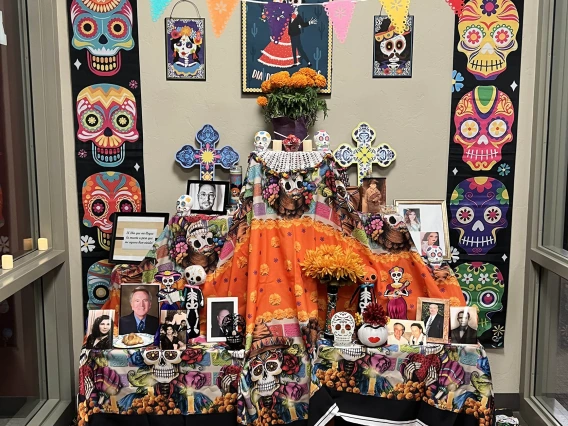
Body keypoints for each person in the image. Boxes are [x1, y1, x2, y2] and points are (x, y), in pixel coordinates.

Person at [258, 0, 296, 68]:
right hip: (276, 29)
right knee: (276, 44)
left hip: (285, 30)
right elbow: (264, 16)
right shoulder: (271, 7)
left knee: (286, 45)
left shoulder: (288, 8)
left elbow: (294, 16)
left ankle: (286, 63)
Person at [288, 1, 317, 67]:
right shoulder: (289, 16)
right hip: (292, 35)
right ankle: (296, 63)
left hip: (296, 35)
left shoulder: (298, 17)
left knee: (299, 49)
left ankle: (308, 62)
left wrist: (309, 22)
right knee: (294, 49)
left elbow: (303, 24)